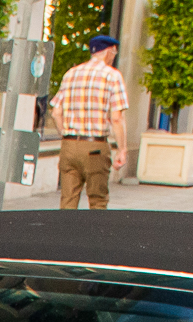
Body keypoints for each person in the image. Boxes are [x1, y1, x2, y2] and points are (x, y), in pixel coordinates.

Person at [53, 33, 129, 210]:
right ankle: (94, 236)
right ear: (109, 51)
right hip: (95, 147)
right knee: (97, 200)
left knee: (67, 200)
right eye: (114, 53)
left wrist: (65, 133)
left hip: (69, 145)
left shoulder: (71, 74)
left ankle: (63, 236)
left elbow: (56, 112)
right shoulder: (112, 76)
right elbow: (117, 117)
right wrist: (122, 149)